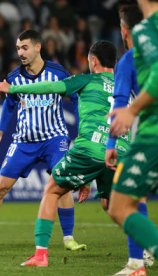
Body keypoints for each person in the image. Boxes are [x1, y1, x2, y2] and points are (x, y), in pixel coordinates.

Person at [0, 40, 130, 267]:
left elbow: (48, 87)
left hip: (90, 150)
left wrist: (13, 88)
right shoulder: (126, 88)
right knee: (112, 206)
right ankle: (145, 250)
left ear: (93, 61)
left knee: (52, 190)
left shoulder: (84, 79)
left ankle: (41, 255)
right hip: (120, 151)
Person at [0, 30, 85, 252]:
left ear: (38, 47)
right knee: (1, 187)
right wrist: (0, 134)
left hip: (54, 138)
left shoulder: (58, 72)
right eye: (18, 48)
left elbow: (76, 98)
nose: (20, 52)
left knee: (62, 185)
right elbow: (10, 105)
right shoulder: (13, 77)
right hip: (24, 141)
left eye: (25, 47)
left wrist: (81, 129)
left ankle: (69, 238)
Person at [108, 0, 158, 266]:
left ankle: (137, 264)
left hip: (152, 135)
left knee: (120, 205)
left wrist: (132, 110)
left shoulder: (145, 33)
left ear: (124, 30)